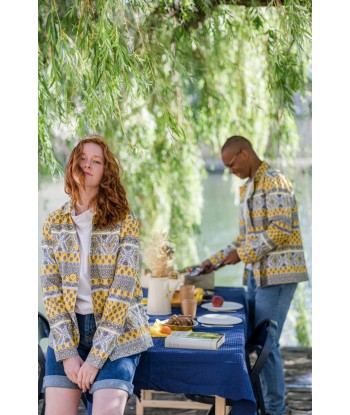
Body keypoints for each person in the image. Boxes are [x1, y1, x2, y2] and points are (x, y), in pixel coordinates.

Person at [40, 135, 153, 415]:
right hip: (69, 330)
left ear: (106, 172)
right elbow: (51, 291)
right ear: (73, 165)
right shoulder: (54, 223)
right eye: (82, 158)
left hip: (119, 334)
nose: (87, 164)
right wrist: (67, 354)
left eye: (96, 161)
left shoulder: (124, 220)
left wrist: (95, 359)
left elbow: (122, 292)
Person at [200, 135, 309, 415]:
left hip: (278, 278)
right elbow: (244, 239)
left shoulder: (275, 181)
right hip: (255, 276)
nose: (229, 170)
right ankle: (263, 404)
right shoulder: (247, 188)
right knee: (258, 345)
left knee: (265, 348)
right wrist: (213, 262)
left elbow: (280, 228)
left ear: (245, 153)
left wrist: (243, 255)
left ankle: (275, 409)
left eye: (231, 163)